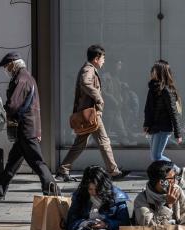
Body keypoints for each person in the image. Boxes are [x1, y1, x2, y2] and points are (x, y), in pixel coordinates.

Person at [55, 45, 129, 182]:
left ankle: (63, 170)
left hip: (89, 114)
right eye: (103, 58)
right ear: (96, 58)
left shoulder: (89, 68)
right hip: (90, 114)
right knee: (104, 141)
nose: (104, 61)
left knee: (81, 144)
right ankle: (113, 171)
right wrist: (99, 98)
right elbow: (85, 83)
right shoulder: (88, 69)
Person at [0, 52, 58, 200]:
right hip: (28, 127)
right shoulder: (28, 77)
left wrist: (2, 109)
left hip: (25, 128)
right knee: (12, 162)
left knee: (37, 161)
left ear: (14, 63)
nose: (6, 69)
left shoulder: (21, 79)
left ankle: (52, 189)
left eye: (7, 66)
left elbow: (13, 105)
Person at [143, 60, 183, 162]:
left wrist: (178, 133)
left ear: (161, 72)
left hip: (163, 128)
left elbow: (173, 112)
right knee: (154, 157)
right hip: (154, 127)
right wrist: (146, 125)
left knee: (156, 156)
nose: (151, 72)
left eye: (154, 70)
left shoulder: (166, 90)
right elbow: (148, 109)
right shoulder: (152, 88)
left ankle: (177, 171)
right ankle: (168, 174)